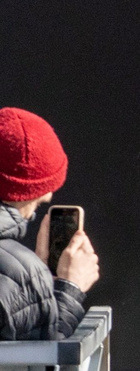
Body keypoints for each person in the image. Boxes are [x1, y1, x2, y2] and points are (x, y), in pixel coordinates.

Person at [0, 108, 99, 342]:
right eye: (37, 202)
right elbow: (45, 358)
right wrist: (70, 289)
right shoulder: (25, 278)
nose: (48, 197)